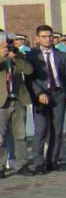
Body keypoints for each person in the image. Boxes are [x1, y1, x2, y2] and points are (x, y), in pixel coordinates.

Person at [27, 25, 66, 174]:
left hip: (59, 95)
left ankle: (53, 160)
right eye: (44, 36)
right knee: (41, 130)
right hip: (41, 96)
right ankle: (39, 163)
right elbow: (30, 78)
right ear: (37, 39)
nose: (48, 39)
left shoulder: (61, 55)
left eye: (50, 36)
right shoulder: (32, 55)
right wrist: (39, 93)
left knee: (57, 129)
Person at [0, 33, 35, 178]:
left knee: (21, 135)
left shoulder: (18, 54)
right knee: (0, 137)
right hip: (2, 102)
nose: (6, 46)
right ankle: (1, 166)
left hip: (18, 99)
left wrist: (16, 58)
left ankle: (22, 165)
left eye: (7, 43)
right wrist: (2, 57)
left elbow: (29, 70)